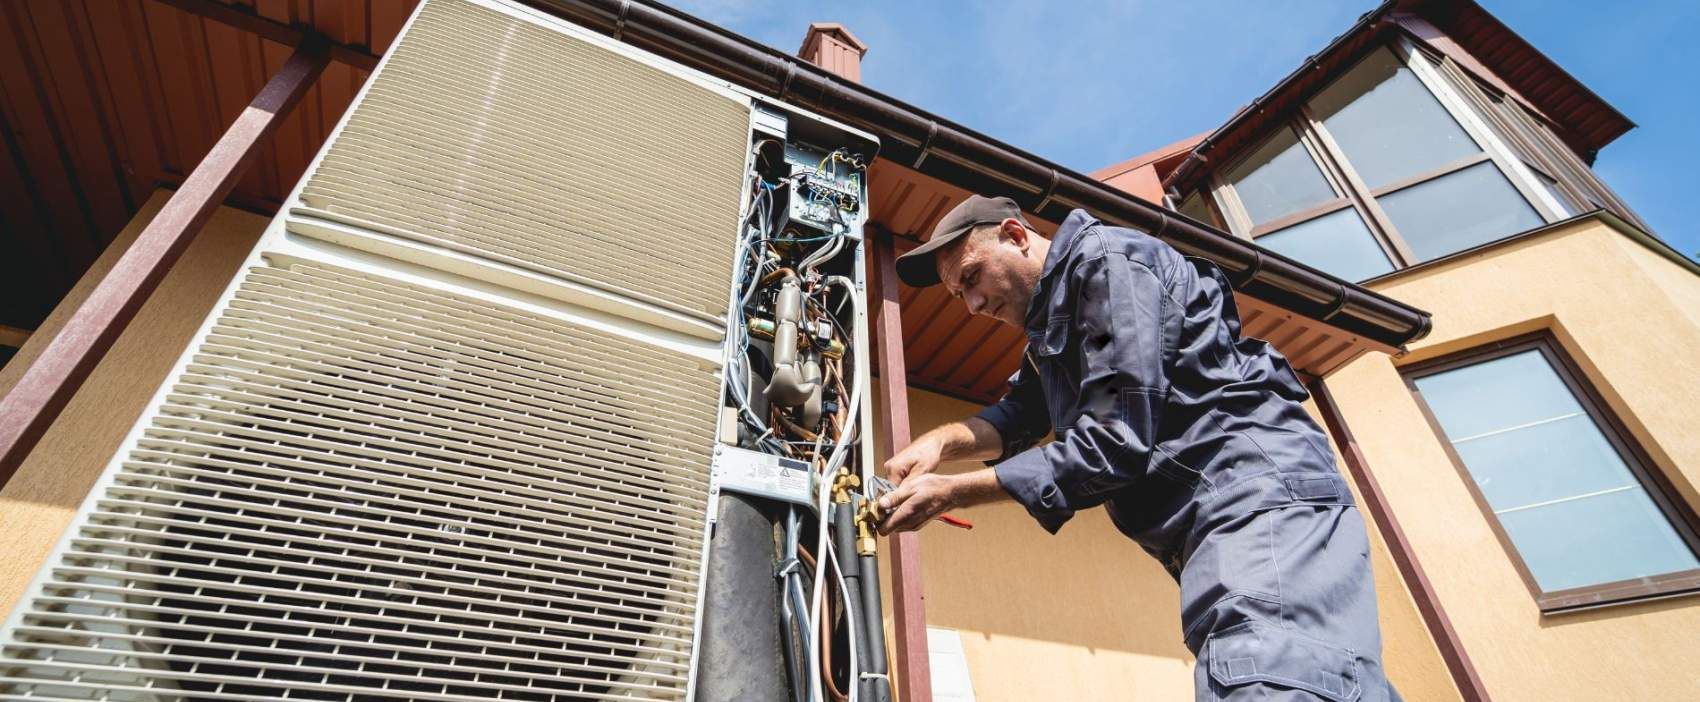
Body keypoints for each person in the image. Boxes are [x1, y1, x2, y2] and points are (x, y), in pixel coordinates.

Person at [876, 195, 1402, 701]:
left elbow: (1114, 442)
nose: (973, 305)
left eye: (972, 277)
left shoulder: (1108, 265)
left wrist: (952, 493)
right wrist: (940, 442)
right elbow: (1019, 415)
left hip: (1255, 504)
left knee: (1267, 679)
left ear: (1015, 237)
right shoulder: (1057, 328)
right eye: (958, 296)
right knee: (1319, 679)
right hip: (1225, 523)